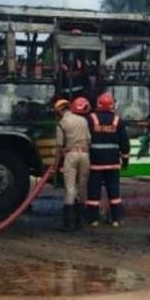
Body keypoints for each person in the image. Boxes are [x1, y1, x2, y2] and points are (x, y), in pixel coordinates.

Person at [84, 92, 130, 227]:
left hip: (96, 162)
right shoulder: (118, 120)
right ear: (112, 105)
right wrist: (125, 160)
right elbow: (125, 143)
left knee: (94, 192)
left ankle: (93, 219)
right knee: (114, 191)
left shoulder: (90, 119)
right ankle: (116, 219)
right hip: (113, 163)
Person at [54, 97, 91, 232]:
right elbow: (89, 139)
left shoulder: (61, 123)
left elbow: (59, 146)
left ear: (59, 111)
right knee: (82, 187)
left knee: (70, 188)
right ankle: (80, 223)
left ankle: (68, 224)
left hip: (70, 155)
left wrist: (55, 164)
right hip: (85, 155)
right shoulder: (83, 120)